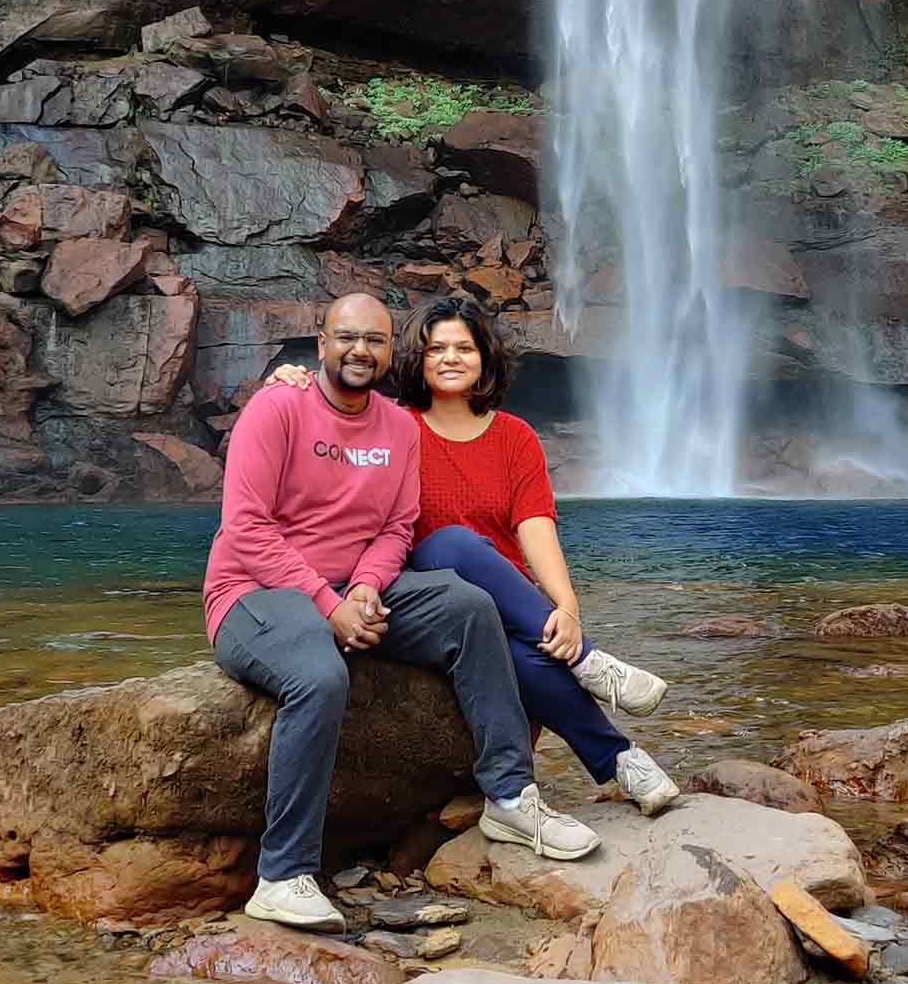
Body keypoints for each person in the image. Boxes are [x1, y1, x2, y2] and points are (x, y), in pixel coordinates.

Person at [205, 291, 600, 935]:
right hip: (252, 593)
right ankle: (283, 875)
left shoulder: (397, 427)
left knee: (471, 608)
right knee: (319, 676)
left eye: (375, 340)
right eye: (346, 337)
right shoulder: (277, 408)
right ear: (322, 340)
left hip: (353, 590)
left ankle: (509, 795)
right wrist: (329, 604)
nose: (360, 350)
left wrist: (363, 587)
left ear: (393, 351)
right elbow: (245, 529)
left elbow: (397, 527)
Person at [267, 294, 680, 818]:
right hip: (423, 593)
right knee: (452, 544)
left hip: (505, 603)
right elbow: (332, 408)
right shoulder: (392, 426)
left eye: (464, 346)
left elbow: (536, 527)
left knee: (522, 649)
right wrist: (291, 378)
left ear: (485, 357)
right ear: (415, 356)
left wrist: (566, 607)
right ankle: (598, 687)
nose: (451, 357)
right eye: (437, 347)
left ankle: (620, 757)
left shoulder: (515, 437)